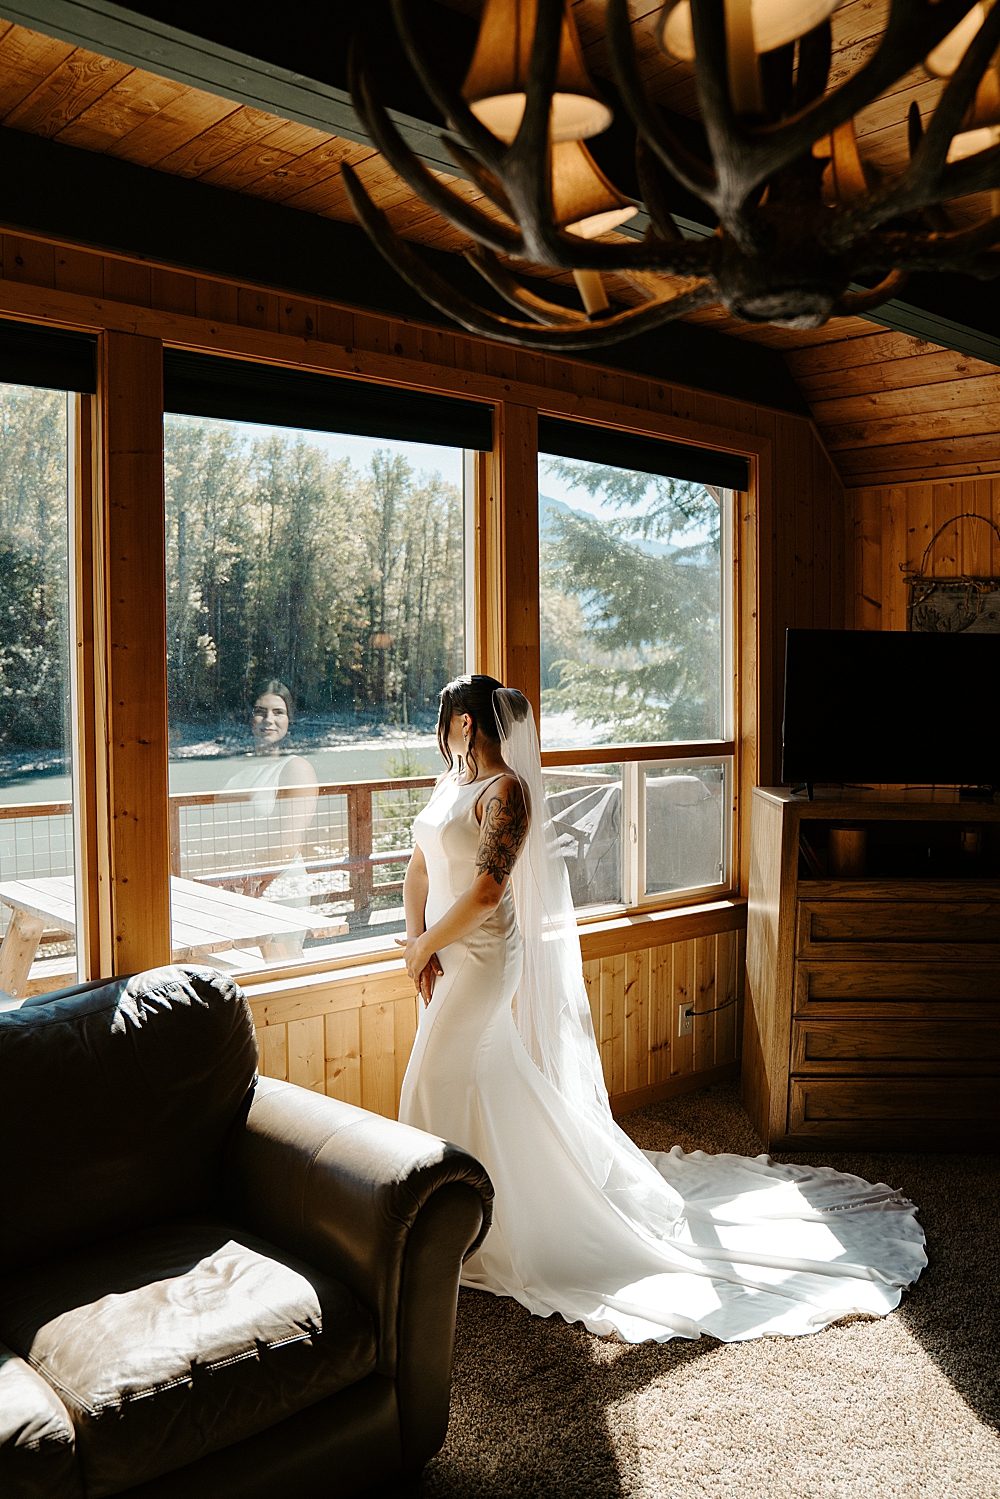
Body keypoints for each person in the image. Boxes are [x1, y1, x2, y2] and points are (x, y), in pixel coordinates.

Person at [396, 674, 927, 1344]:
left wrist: (426, 950)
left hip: (479, 957)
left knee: (433, 1075)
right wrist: (416, 939)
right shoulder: (450, 784)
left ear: (466, 724)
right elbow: (419, 867)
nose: (440, 732)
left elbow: (483, 891)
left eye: (445, 721)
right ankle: (474, 1213)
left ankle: (452, 1224)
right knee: (469, 1079)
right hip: (440, 954)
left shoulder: (507, 792)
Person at [222, 681, 318, 908]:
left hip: (276, 885)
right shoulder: (235, 767)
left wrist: (253, 886)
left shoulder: (295, 768)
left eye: (278, 712)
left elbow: (288, 839)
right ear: (249, 717)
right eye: (260, 712)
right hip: (234, 883)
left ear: (288, 720)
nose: (269, 720)